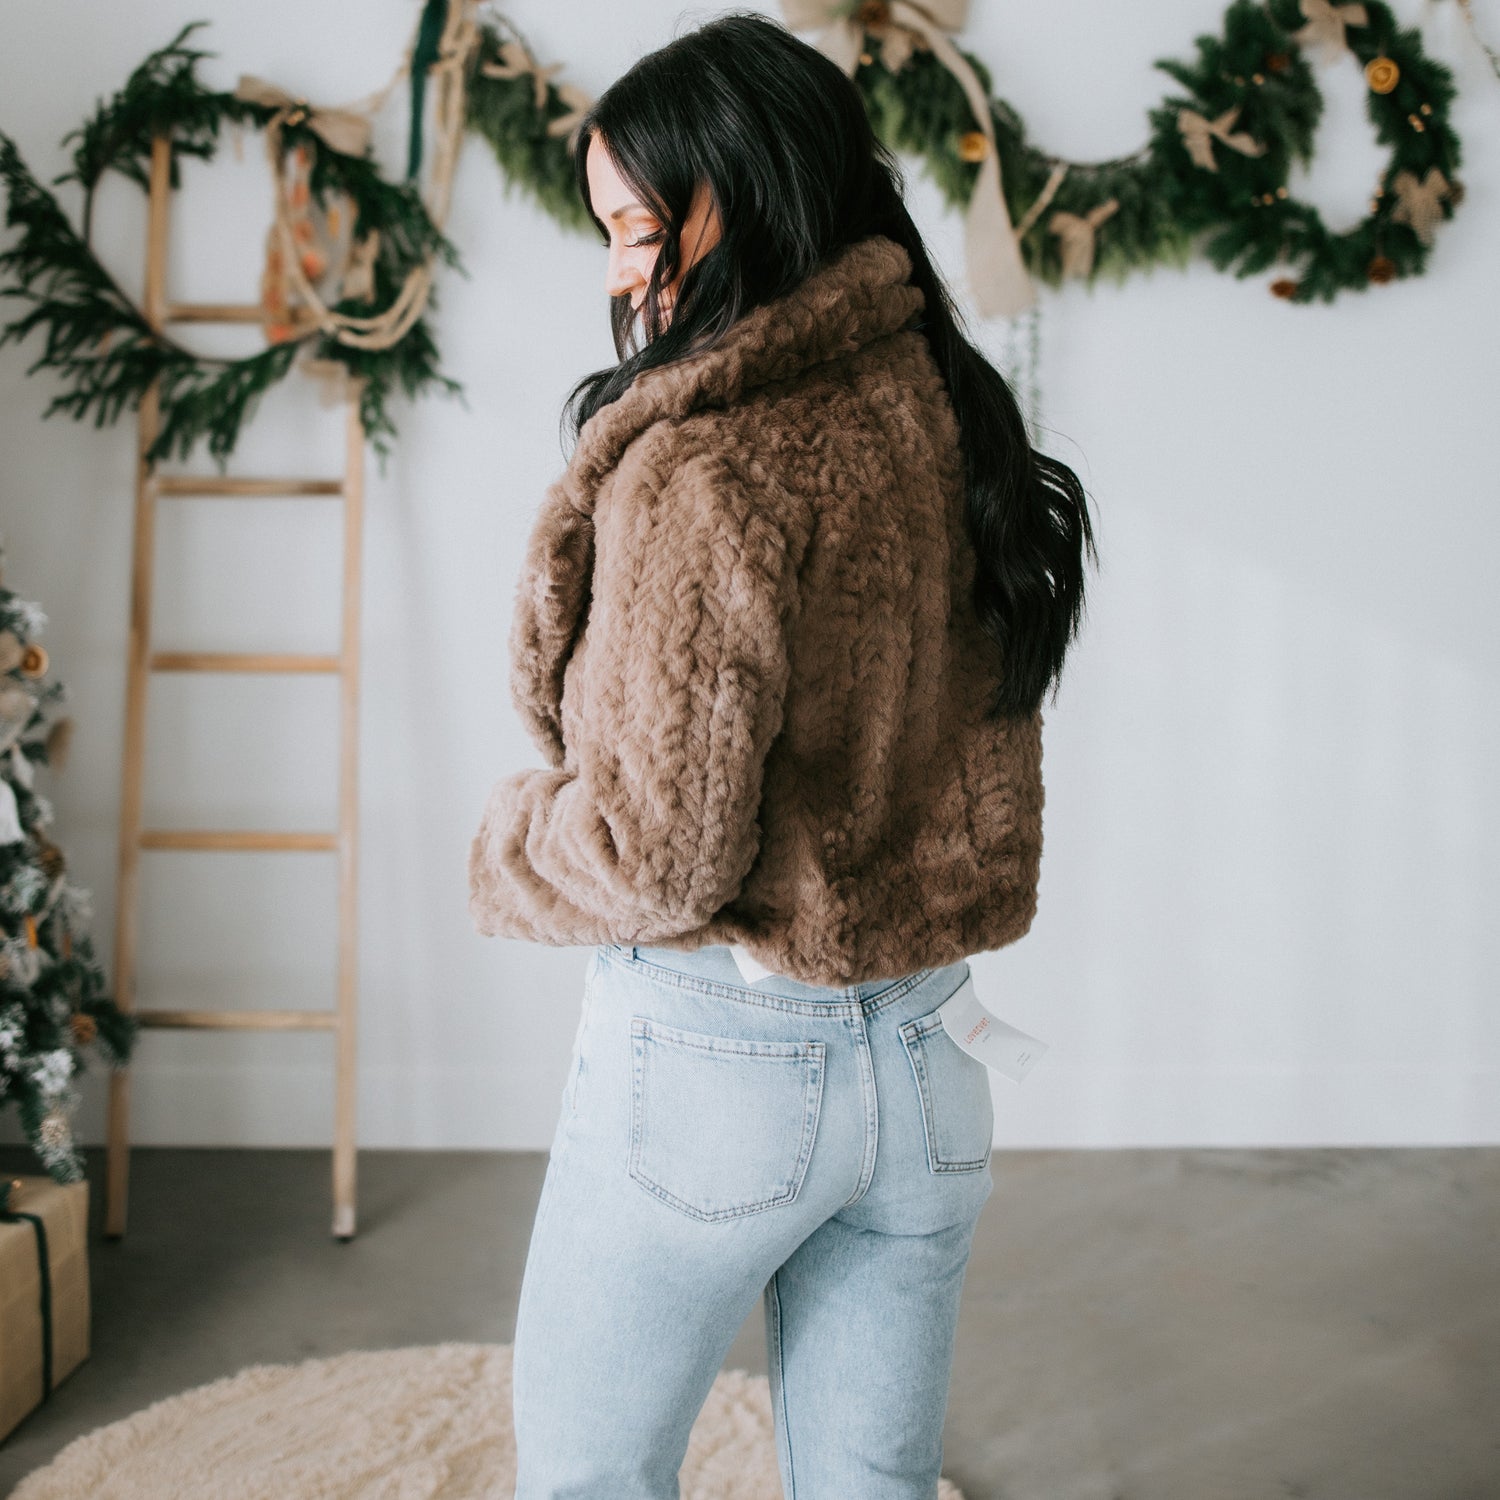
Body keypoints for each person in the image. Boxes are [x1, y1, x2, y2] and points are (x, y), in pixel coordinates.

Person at [467, 11, 1096, 1497]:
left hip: (718, 1068)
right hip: (930, 1061)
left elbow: (655, 854)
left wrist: (510, 838)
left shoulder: (702, 468)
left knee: (586, 1479)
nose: (619, 273)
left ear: (742, 199)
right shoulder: (949, 412)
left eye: (638, 229)